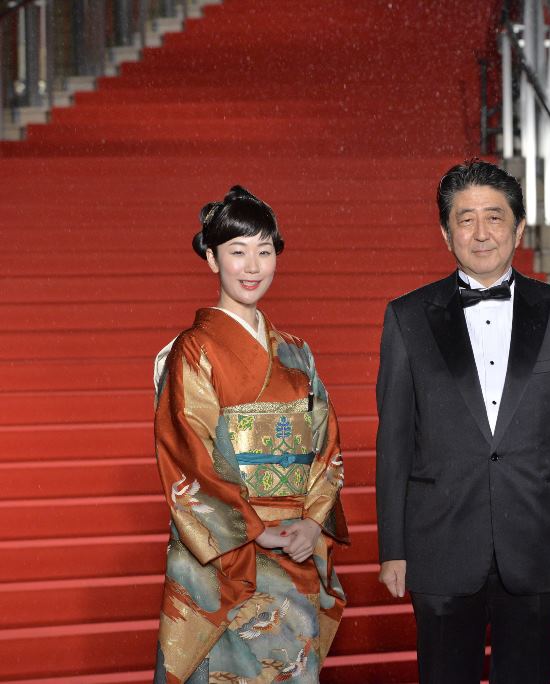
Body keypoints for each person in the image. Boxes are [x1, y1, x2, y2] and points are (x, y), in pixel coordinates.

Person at [374, 159, 550, 684]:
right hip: (440, 540)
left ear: (519, 228)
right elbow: (395, 441)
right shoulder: (407, 316)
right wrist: (394, 548)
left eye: (495, 218)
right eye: (466, 218)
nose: (481, 233)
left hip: (538, 536)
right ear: (445, 231)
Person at [152, 186, 348, 683]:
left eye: (264, 251)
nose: (253, 265)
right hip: (231, 552)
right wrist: (258, 530)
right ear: (212, 259)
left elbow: (325, 448)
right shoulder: (192, 352)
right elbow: (189, 455)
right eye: (237, 252)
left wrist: (312, 524)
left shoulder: (297, 353)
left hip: (295, 546)